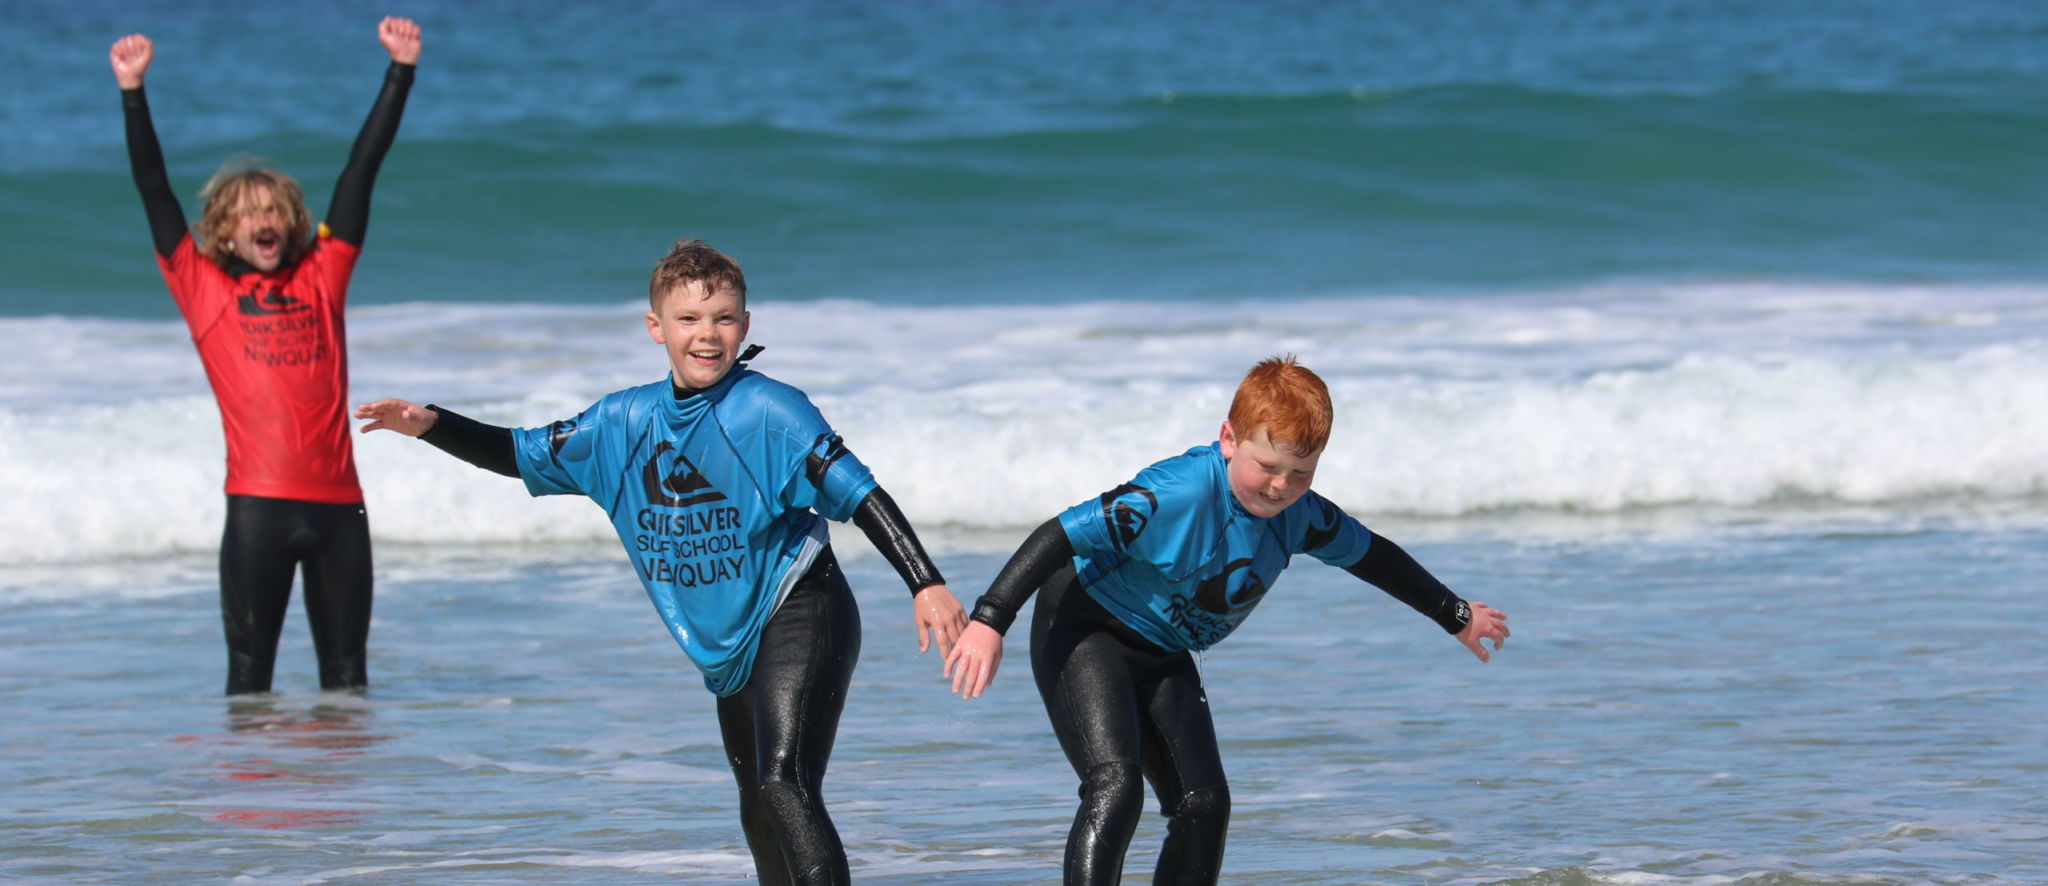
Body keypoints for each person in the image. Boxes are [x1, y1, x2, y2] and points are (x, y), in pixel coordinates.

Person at [354, 239, 968, 886]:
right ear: (657, 327)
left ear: (745, 326)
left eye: (723, 318)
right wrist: (431, 424)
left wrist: (924, 582)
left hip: (800, 606)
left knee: (783, 782)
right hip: (728, 641)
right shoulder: (621, 423)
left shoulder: (770, 411)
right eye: (689, 319)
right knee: (758, 804)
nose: (707, 334)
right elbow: (520, 452)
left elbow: (859, 492)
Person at [942, 356, 1510, 886]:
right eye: (1267, 466)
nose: (1281, 486)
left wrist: (1455, 614)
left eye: (1301, 472)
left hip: (1163, 650)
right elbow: (1060, 533)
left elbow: (1373, 556)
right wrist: (991, 620)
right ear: (1229, 439)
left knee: (1205, 804)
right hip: (1085, 626)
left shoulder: (1302, 516)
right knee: (1116, 787)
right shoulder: (1175, 493)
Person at [111, 18, 423, 695]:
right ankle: (251, 773)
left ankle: (342, 773)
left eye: (275, 210)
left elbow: (360, 171)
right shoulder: (204, 289)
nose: (264, 222)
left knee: (348, 686)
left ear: (292, 221)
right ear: (225, 231)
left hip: (341, 507)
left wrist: (400, 72)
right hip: (258, 509)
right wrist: (133, 91)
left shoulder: (324, 274)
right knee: (250, 686)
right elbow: (154, 188)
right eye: (248, 213)